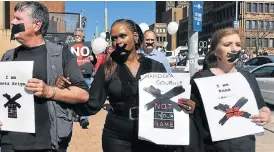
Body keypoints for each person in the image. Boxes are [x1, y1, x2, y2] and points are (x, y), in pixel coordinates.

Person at [66, 19, 198, 152]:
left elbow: (169, 102)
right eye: (114, 38)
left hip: (150, 135)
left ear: (135, 37)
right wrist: (66, 94)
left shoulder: (155, 66)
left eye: (122, 36)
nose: (118, 42)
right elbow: (93, 102)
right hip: (117, 137)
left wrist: (186, 105)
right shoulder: (107, 68)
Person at [0, 2, 89, 152]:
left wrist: (49, 91)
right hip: (9, 142)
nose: (12, 22)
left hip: (49, 142)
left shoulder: (60, 54)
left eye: (18, 19)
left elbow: (83, 94)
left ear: (37, 25)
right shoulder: (8, 57)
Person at [190, 28, 271, 152]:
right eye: (227, 45)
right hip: (212, 146)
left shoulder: (247, 77)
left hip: (244, 145)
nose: (234, 49)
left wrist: (265, 114)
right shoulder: (201, 78)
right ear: (215, 51)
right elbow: (192, 112)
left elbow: (261, 106)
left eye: (237, 44)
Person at [72, 28, 97, 129]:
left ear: (83, 37)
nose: (76, 36)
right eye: (75, 35)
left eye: (78, 35)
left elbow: (94, 61)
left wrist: (92, 58)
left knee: (85, 95)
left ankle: (84, 118)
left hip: (86, 75)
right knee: (74, 95)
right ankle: (76, 114)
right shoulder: (69, 47)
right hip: (74, 74)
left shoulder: (89, 47)